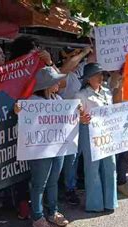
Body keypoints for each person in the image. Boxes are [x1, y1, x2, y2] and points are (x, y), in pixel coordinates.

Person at [15, 67, 70, 227]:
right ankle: (37, 216)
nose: (59, 84)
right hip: (39, 151)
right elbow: (23, 124)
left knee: (53, 181)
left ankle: (52, 212)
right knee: (39, 184)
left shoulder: (59, 99)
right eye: (55, 81)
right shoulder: (31, 102)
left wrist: (78, 111)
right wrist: (18, 111)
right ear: (47, 85)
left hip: (57, 148)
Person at [75, 63, 117, 212]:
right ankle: (95, 204)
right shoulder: (81, 95)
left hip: (106, 133)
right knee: (92, 169)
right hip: (89, 133)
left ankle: (110, 202)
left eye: (101, 74)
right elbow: (75, 116)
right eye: (96, 75)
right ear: (88, 79)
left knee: (110, 166)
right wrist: (81, 118)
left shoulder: (107, 92)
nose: (100, 77)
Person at [58, 46, 93, 205]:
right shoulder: (63, 75)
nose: (78, 59)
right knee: (69, 158)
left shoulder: (79, 73)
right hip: (63, 124)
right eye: (74, 56)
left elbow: (93, 60)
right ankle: (68, 188)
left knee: (75, 156)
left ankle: (72, 183)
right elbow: (65, 68)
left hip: (79, 121)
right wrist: (83, 53)